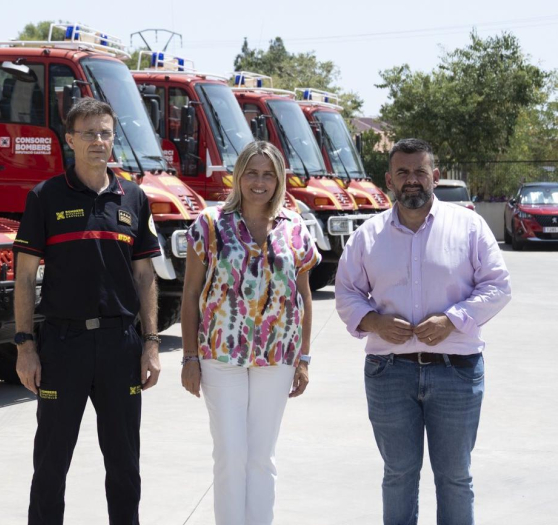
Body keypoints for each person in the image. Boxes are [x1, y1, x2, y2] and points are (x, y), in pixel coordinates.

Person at [334, 138, 510, 525]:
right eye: (403, 173)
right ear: (389, 181)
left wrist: (453, 319)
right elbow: (346, 292)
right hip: (388, 373)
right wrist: (374, 321)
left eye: (420, 171)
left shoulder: (468, 226)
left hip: (456, 371)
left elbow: (498, 286)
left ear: (436, 176)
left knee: (455, 477)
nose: (412, 180)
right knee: (398, 475)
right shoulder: (368, 234)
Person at [12, 98, 163, 525]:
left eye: (106, 133)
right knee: (50, 465)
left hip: (120, 346)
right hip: (63, 345)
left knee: (124, 466)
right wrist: (25, 346)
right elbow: (24, 278)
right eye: (90, 133)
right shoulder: (44, 198)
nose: (99, 141)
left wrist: (150, 345)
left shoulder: (133, 197)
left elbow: (145, 278)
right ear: (70, 140)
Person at [179, 140, 319, 525]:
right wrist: (190, 358)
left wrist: (303, 359)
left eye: (268, 175)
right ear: (238, 176)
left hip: (277, 359)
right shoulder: (209, 225)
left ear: (279, 179)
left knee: (261, 457)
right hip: (220, 357)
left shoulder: (294, 228)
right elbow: (191, 295)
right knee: (230, 454)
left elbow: (305, 297)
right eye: (252, 173)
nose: (260, 183)